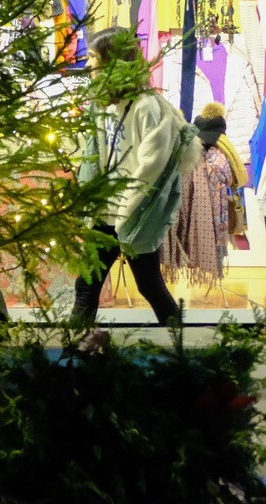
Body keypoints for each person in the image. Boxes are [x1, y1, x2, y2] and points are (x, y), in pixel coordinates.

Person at [71, 27, 187, 327]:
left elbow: (152, 165)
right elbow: (96, 152)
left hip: (135, 214)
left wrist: (127, 210)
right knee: (86, 284)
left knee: (149, 284)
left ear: (113, 63)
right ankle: (70, 354)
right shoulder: (103, 103)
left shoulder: (148, 107)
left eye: (94, 59)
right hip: (104, 211)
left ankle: (181, 346)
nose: (89, 67)